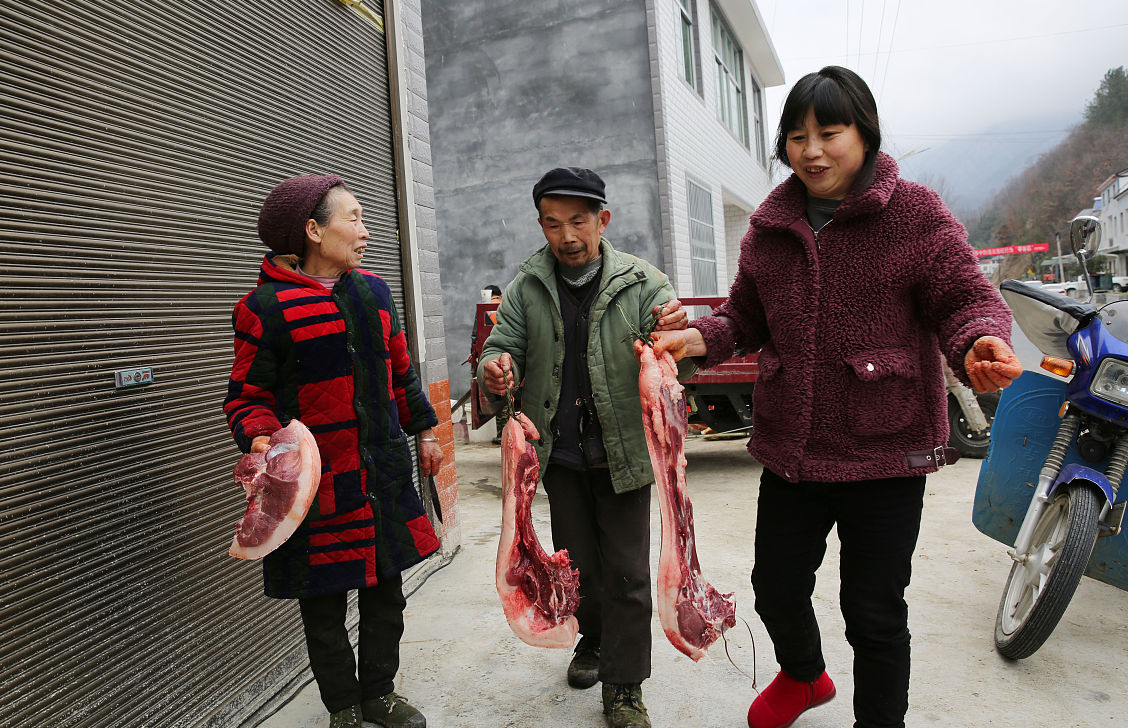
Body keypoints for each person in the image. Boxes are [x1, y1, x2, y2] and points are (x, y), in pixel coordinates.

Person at [647, 67, 1022, 728]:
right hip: (795, 449)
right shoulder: (770, 230)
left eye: (829, 132)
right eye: (796, 136)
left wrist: (978, 343)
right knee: (776, 587)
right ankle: (803, 676)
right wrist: (696, 340)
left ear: (865, 133)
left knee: (874, 612)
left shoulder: (915, 213)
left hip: (887, 448)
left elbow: (962, 301)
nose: (811, 150)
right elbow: (744, 319)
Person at [224, 174, 442, 728]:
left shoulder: (372, 292)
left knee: (386, 592)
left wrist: (426, 432)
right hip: (318, 484)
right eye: (355, 218)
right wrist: (260, 438)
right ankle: (342, 707)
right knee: (322, 602)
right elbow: (247, 396)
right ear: (314, 230)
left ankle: (379, 694)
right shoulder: (265, 307)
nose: (366, 232)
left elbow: (399, 370)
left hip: (381, 472)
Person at [477, 166, 692, 728]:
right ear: (541, 226)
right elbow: (501, 347)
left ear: (603, 220)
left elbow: (675, 352)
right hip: (561, 456)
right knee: (580, 566)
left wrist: (676, 332)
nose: (567, 236)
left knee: (628, 573)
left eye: (578, 221)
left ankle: (624, 688)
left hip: (625, 452)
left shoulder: (643, 283)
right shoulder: (527, 287)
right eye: (553, 224)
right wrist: (496, 369)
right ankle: (592, 644)